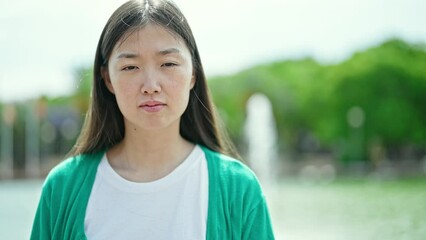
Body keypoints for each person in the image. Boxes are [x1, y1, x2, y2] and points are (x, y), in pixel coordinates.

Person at [30, 0, 275, 239]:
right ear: (107, 79)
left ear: (193, 74)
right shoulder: (63, 188)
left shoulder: (238, 189)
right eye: (130, 67)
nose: (151, 86)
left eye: (168, 63)